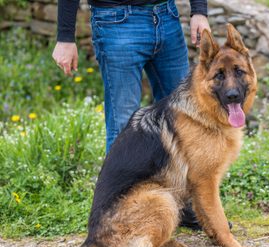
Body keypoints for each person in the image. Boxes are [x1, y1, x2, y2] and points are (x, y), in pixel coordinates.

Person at [53, 0, 211, 230]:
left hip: (167, 18)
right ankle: (113, 222)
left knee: (187, 122)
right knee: (123, 129)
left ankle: (186, 207)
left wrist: (199, 11)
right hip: (116, 22)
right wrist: (65, 37)